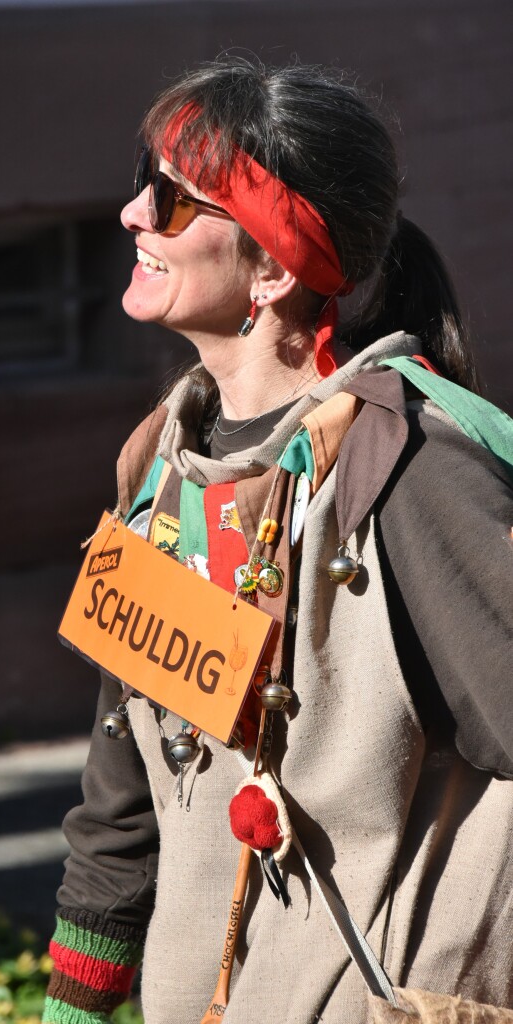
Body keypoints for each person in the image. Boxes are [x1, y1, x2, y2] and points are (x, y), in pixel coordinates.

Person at [42, 56, 513, 1024]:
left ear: (272, 265)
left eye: (174, 202)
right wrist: (73, 1010)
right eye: (144, 181)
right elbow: (123, 791)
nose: (133, 214)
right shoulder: (158, 463)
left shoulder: (410, 466)